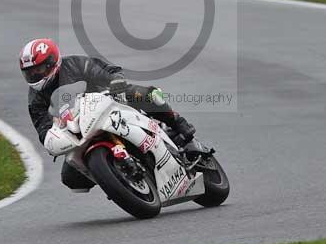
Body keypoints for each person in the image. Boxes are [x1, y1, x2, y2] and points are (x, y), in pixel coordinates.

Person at [19, 37, 196, 192]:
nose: (34, 75)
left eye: (39, 69)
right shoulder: (35, 98)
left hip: (108, 103)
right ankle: (116, 178)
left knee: (147, 96)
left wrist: (116, 81)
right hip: (78, 129)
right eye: (30, 72)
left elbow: (108, 70)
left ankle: (178, 123)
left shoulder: (74, 64)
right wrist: (53, 139)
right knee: (70, 178)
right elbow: (42, 127)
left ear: (52, 63)